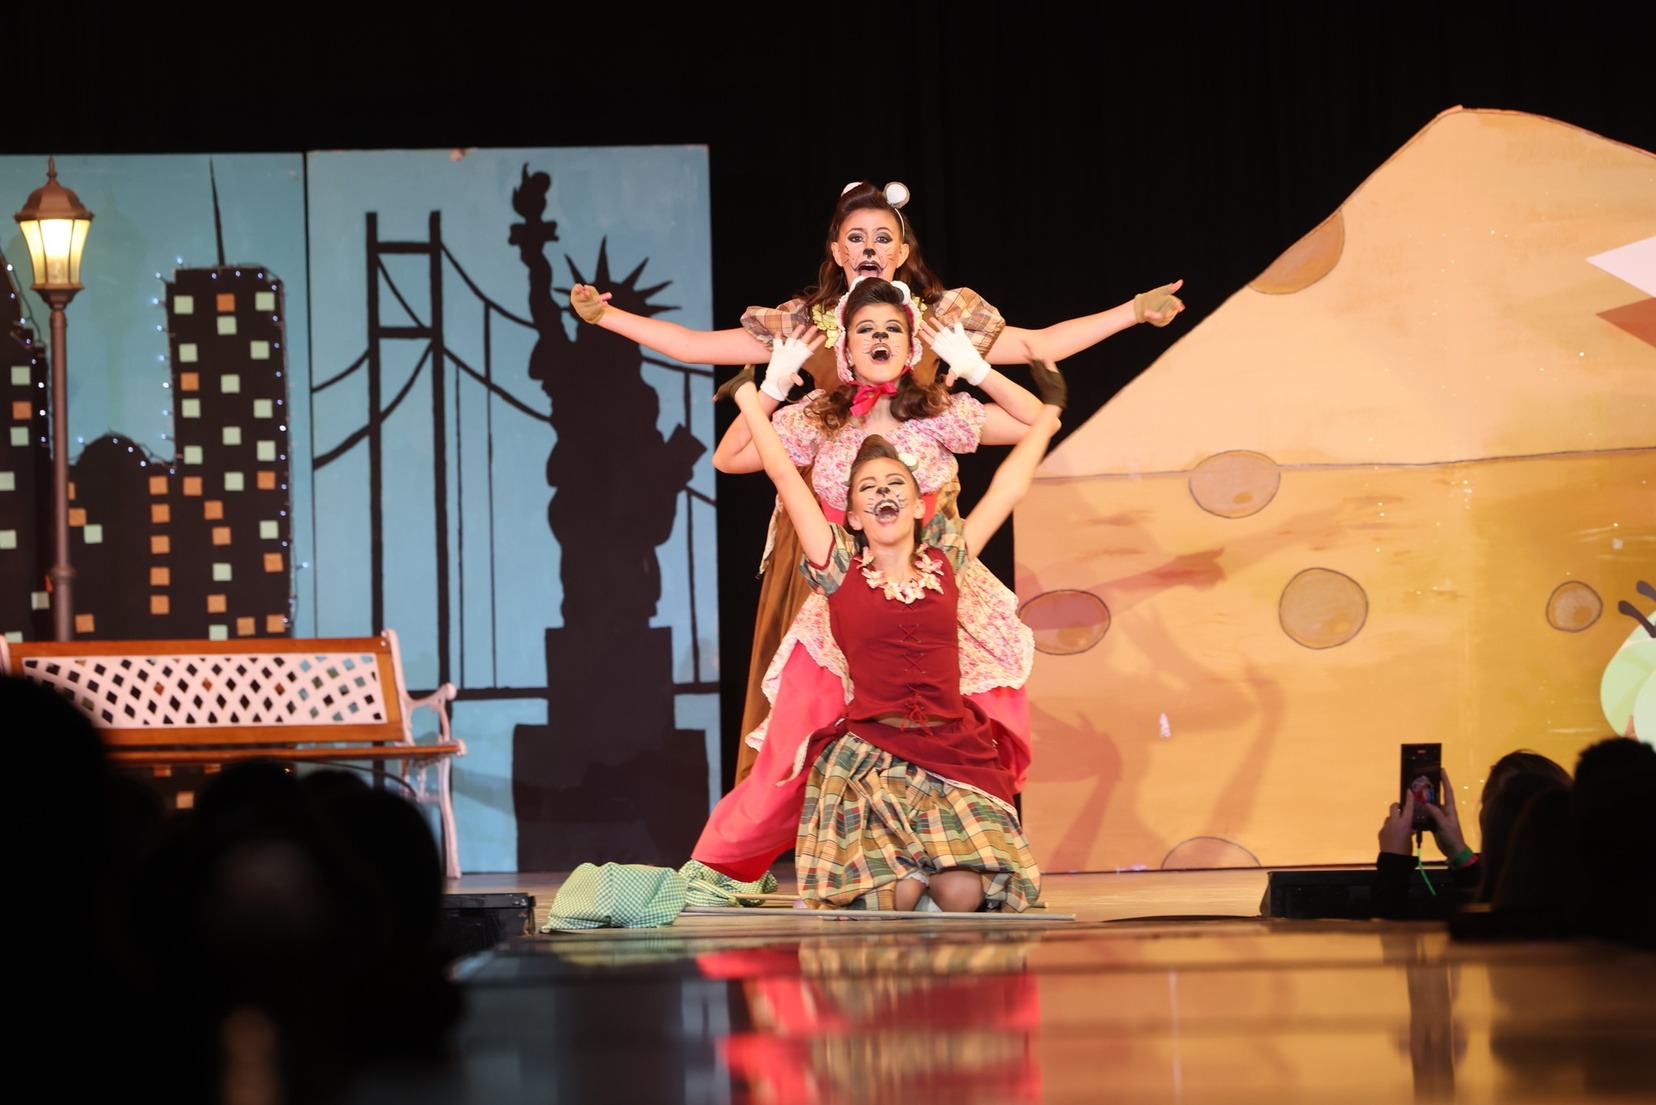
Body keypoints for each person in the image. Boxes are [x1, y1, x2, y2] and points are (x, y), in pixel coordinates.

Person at [571, 180, 1184, 788]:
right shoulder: (804, 327)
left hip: (921, 528)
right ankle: (804, 803)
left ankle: (938, 789)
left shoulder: (939, 321)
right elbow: (693, 348)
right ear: (838, 251)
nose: (870, 247)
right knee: (816, 689)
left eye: (883, 238)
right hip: (827, 530)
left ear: (902, 251)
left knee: (929, 681)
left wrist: (1133, 311)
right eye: (857, 237)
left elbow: (1041, 346)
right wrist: (608, 316)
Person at [683, 275, 1047, 893]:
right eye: (866, 330)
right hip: (849, 593)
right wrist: (766, 390)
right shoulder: (816, 418)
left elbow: (1035, 423)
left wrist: (979, 370)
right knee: (793, 746)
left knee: (972, 725)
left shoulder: (939, 412)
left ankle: (961, 854)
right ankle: (724, 866)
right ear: (846, 347)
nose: (879, 338)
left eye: (892, 330)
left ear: (910, 346)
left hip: (939, 587)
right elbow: (732, 458)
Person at [1373, 749, 1572, 920]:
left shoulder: (1452, 911)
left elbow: (1388, 936)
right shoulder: (1584, 906)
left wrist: (1393, 862)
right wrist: (1460, 855)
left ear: (1484, 819)